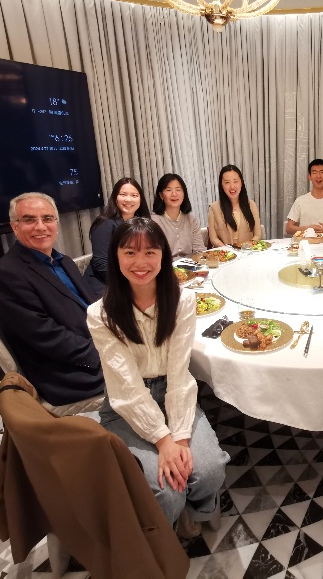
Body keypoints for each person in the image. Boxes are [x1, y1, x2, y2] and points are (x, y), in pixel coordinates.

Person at [87, 218, 229, 535]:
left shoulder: (182, 301)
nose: (141, 262)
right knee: (166, 491)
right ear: (116, 256)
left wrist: (180, 437)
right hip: (125, 407)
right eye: (130, 253)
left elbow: (178, 374)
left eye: (150, 252)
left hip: (174, 393)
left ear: (163, 255)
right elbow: (126, 388)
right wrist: (163, 440)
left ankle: (197, 509)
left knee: (209, 470)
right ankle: (169, 528)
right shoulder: (101, 314)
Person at [0, 192, 103, 406]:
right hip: (69, 372)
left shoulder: (64, 261)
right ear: (15, 227)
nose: (41, 227)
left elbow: (89, 306)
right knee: (154, 373)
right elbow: (47, 337)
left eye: (47, 218)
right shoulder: (6, 275)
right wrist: (104, 352)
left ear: (56, 223)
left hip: (95, 344)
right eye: (29, 220)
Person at [84, 177, 150, 296]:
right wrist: (130, 283)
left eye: (134, 195)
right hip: (105, 284)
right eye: (123, 194)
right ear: (115, 197)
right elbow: (101, 264)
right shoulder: (104, 224)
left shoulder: (141, 223)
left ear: (140, 199)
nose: (128, 199)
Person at [151, 173, 206, 258]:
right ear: (161, 195)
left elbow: (199, 251)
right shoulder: (153, 222)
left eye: (178, 189)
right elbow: (153, 255)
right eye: (168, 190)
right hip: (166, 266)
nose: (174, 194)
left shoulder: (191, 219)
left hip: (192, 265)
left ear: (184, 193)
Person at [208, 165, 261, 247]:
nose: (232, 186)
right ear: (222, 185)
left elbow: (257, 234)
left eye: (235, 181)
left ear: (241, 183)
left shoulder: (251, 205)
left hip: (248, 252)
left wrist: (248, 246)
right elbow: (213, 238)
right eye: (227, 182)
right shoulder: (214, 208)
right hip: (225, 253)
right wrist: (227, 250)